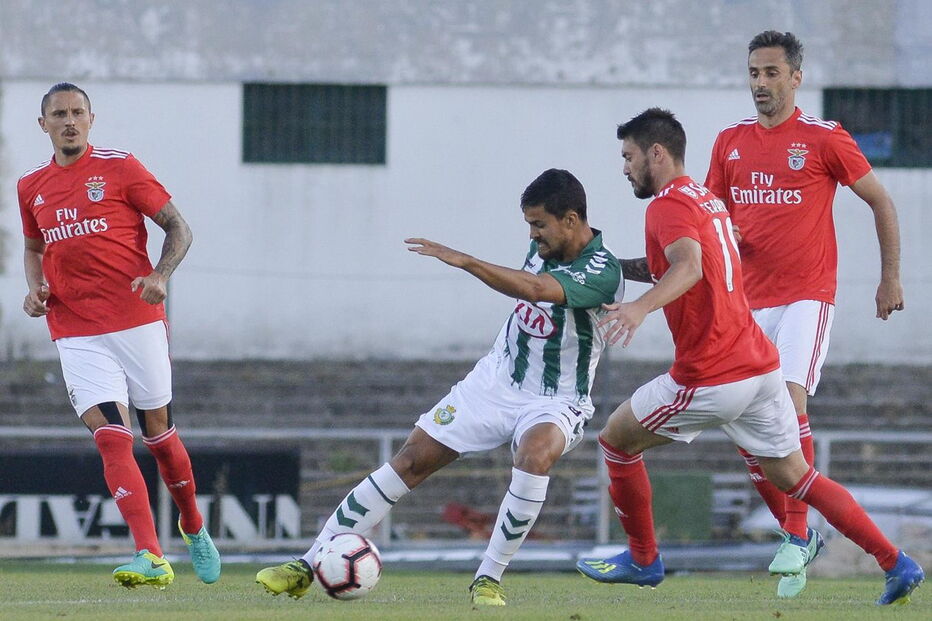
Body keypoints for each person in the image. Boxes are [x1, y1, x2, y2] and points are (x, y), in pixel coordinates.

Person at [576, 108, 923, 606]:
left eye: (629, 157)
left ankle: (644, 558)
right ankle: (896, 563)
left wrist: (639, 308)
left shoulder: (666, 207)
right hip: (759, 368)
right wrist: (607, 265)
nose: (625, 168)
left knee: (615, 440)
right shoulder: (707, 203)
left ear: (657, 153)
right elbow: (676, 265)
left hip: (710, 375)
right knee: (799, 478)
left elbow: (687, 267)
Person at [256, 168, 622, 606]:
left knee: (535, 454)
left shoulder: (601, 271)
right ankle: (308, 563)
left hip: (556, 398)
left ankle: (489, 578)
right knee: (411, 460)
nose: (532, 235)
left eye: (539, 224)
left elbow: (536, 288)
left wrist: (466, 261)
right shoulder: (552, 244)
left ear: (571, 219)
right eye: (529, 225)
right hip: (495, 380)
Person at [703, 30, 905, 598]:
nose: (760, 83)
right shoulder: (730, 142)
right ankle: (801, 534)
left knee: (790, 404)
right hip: (747, 304)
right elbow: (714, 220)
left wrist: (890, 277)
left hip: (805, 297)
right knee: (747, 427)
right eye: (754, 73)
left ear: (796, 77)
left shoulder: (823, 138)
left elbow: (881, 200)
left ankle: (795, 533)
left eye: (771, 73)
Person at [18, 83, 221, 589]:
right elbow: (34, 248)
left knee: (160, 438)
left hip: (136, 320)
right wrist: (35, 289)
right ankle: (150, 553)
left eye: (77, 112)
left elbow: (179, 228)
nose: (69, 121)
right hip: (74, 328)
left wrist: (159, 275)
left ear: (92, 119)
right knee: (111, 437)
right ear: (43, 124)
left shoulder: (121, 167)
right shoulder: (30, 186)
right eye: (59, 114)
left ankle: (192, 523)